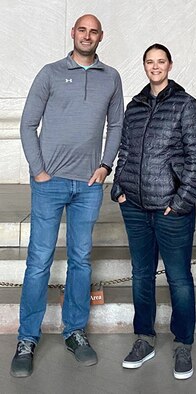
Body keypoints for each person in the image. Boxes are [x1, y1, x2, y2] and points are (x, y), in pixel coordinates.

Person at [10, 14, 124, 378]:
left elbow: (117, 124)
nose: (87, 36)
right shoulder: (50, 72)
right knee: (39, 261)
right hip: (50, 184)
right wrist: (39, 171)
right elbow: (27, 123)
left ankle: (74, 332)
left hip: (88, 186)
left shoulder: (111, 77)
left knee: (80, 260)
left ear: (100, 36)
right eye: (82, 30)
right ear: (73, 34)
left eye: (93, 31)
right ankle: (26, 338)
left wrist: (106, 165)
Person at [111, 43, 196, 380]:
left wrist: (182, 201)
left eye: (161, 61)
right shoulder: (134, 107)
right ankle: (144, 338)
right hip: (134, 208)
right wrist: (118, 188)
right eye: (150, 62)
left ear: (169, 65)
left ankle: (183, 343)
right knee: (141, 275)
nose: (155, 67)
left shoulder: (186, 104)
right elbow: (124, 149)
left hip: (171, 211)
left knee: (179, 279)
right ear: (144, 66)